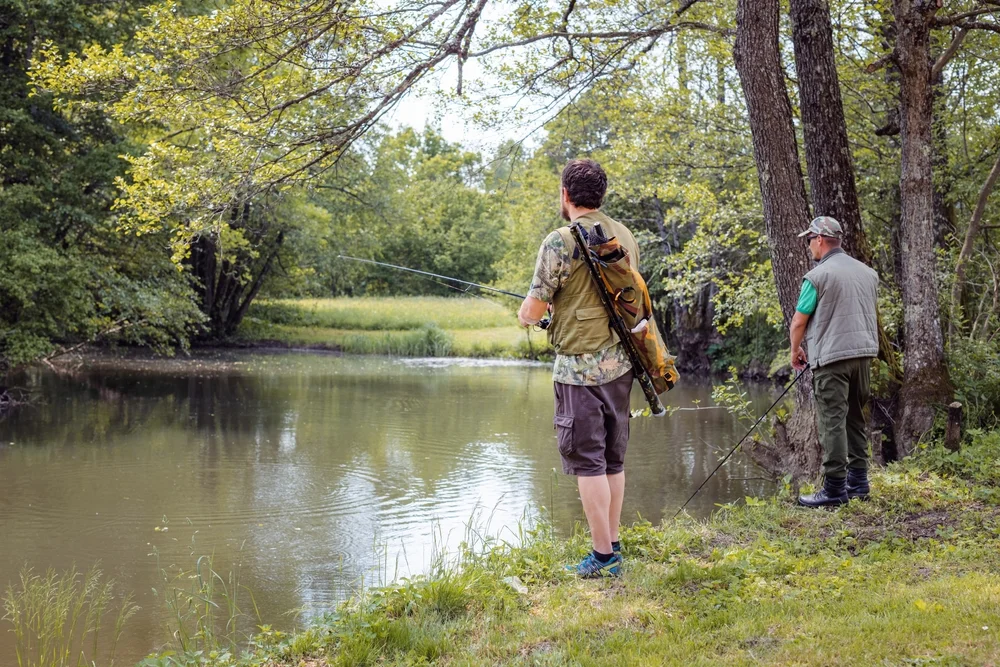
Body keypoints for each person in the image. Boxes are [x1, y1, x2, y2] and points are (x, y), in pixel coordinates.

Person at [518, 158, 639, 577]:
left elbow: (533, 309)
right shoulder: (624, 234)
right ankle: (613, 541)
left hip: (577, 371)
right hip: (622, 364)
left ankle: (603, 557)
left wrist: (527, 315)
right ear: (600, 196)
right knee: (612, 458)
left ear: (566, 195)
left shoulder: (559, 240)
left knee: (588, 461)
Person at [790, 216, 879, 508]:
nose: (808, 247)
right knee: (855, 418)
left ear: (819, 239)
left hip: (832, 360)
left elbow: (799, 322)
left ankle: (834, 489)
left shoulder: (817, 276)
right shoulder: (867, 273)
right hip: (863, 356)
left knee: (832, 422)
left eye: (809, 241)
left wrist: (795, 351)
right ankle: (859, 483)